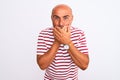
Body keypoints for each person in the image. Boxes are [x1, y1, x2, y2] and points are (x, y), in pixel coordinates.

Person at [36, 4, 89, 80]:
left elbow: (84, 65)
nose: (61, 23)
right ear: (51, 18)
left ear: (71, 19)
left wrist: (68, 42)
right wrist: (57, 41)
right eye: (56, 18)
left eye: (65, 18)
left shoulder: (79, 34)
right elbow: (42, 66)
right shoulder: (43, 34)